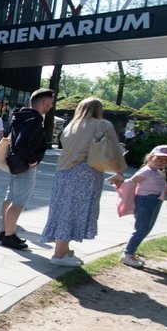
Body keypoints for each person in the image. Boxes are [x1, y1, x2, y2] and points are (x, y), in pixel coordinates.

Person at [40, 98, 126, 266]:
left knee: (63, 210)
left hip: (64, 173)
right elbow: (115, 150)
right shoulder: (102, 125)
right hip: (87, 173)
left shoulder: (70, 126)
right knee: (75, 211)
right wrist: (120, 171)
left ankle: (63, 250)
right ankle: (59, 255)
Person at [0, 88, 55, 250]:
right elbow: (22, 142)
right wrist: (32, 160)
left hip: (16, 163)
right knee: (19, 201)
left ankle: (5, 231)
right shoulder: (34, 119)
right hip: (24, 164)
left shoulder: (21, 116)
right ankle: (9, 235)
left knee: (11, 197)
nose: (50, 107)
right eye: (50, 103)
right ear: (43, 102)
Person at [117, 144, 167, 268]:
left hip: (155, 200)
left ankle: (130, 251)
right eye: (158, 158)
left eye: (166, 160)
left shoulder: (158, 171)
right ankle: (127, 254)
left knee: (146, 228)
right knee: (142, 228)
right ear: (150, 157)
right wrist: (121, 187)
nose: (161, 162)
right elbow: (131, 182)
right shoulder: (146, 171)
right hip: (146, 200)